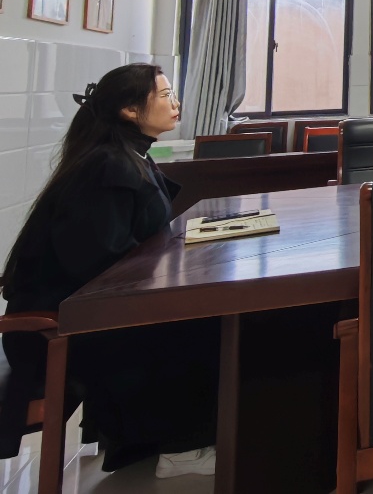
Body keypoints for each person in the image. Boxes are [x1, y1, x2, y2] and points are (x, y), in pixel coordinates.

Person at [1, 64, 219, 478]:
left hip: (87, 310)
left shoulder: (126, 156)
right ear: (129, 111)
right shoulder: (106, 166)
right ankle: (183, 449)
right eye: (165, 95)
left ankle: (150, 440)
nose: (175, 103)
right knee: (201, 324)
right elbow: (99, 264)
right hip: (57, 327)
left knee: (206, 312)